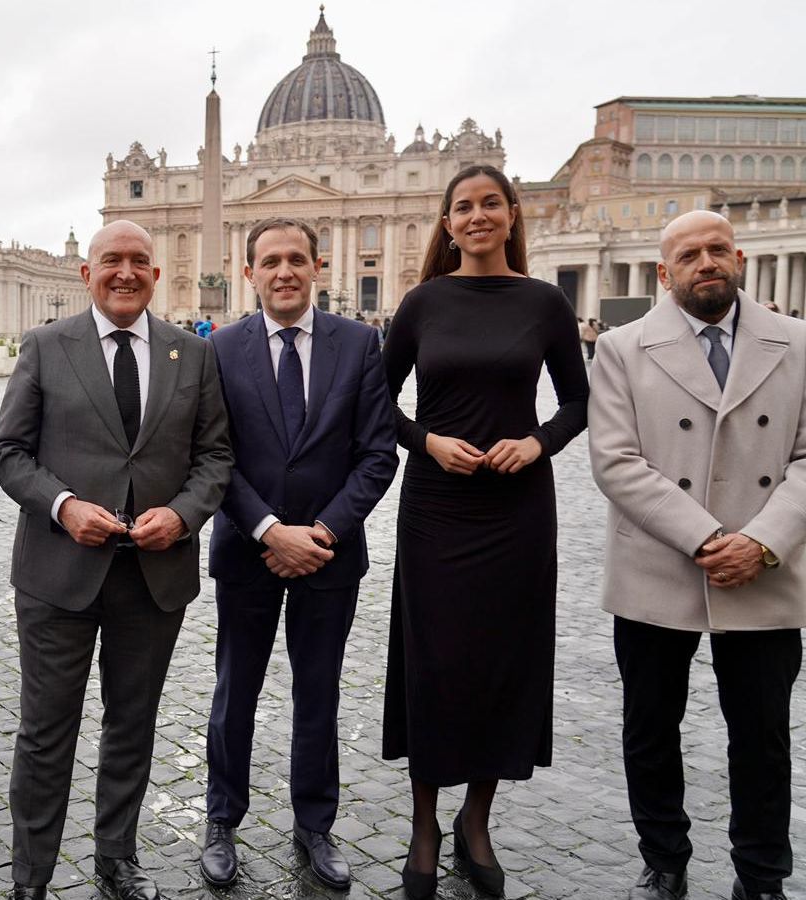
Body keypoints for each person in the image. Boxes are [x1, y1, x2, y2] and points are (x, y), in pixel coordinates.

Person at [0, 220, 233, 900]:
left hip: (153, 577)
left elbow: (216, 456)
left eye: (138, 262)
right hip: (56, 574)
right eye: (111, 261)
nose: (125, 273)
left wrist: (183, 515)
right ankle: (31, 876)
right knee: (45, 732)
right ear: (85, 273)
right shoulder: (44, 346)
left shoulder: (194, 354)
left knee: (133, 723)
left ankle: (116, 859)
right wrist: (62, 504)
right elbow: (8, 452)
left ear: (157, 275)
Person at [381, 164, 589, 899]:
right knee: (435, 662)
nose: (476, 216)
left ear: (511, 214)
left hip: (517, 509)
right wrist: (426, 441)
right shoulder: (422, 303)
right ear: (446, 223)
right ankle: (424, 822)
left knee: (502, 660)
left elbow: (576, 402)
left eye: (489, 204)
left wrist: (537, 443)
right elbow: (378, 401)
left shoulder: (544, 304)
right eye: (463, 207)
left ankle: (477, 817)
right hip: (438, 504)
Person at [590, 209, 806, 900]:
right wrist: (707, 538)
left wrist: (763, 541)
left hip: (764, 567)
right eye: (690, 254)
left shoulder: (798, 342)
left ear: (739, 258)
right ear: (664, 272)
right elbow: (616, 462)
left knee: (764, 736)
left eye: (717, 249)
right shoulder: (622, 347)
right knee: (651, 728)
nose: (706, 261)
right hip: (662, 561)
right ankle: (664, 858)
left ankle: (763, 874)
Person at [199, 218, 398, 890]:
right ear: (249, 271)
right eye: (269, 261)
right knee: (235, 693)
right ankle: (222, 819)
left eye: (295, 259)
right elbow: (213, 456)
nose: (283, 271)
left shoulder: (360, 342)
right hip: (248, 550)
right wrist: (267, 530)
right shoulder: (221, 349)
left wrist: (321, 533)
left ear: (317, 267)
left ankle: (315, 824)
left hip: (328, 555)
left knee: (319, 694)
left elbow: (377, 454)